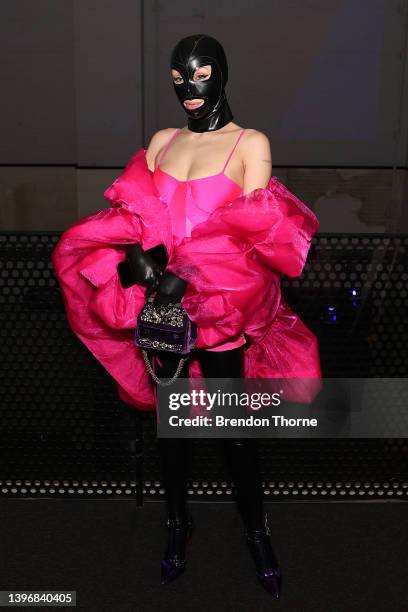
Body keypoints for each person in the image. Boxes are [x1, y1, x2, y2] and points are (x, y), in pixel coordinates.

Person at [51, 33, 322, 599]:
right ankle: (178, 526)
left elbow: (255, 240)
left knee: (234, 435)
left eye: (199, 74)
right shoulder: (161, 140)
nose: (189, 88)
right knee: (171, 433)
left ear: (221, 72)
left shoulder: (249, 143)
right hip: (161, 314)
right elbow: (135, 217)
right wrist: (140, 262)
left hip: (221, 311)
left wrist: (187, 275)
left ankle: (256, 531)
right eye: (179, 78)